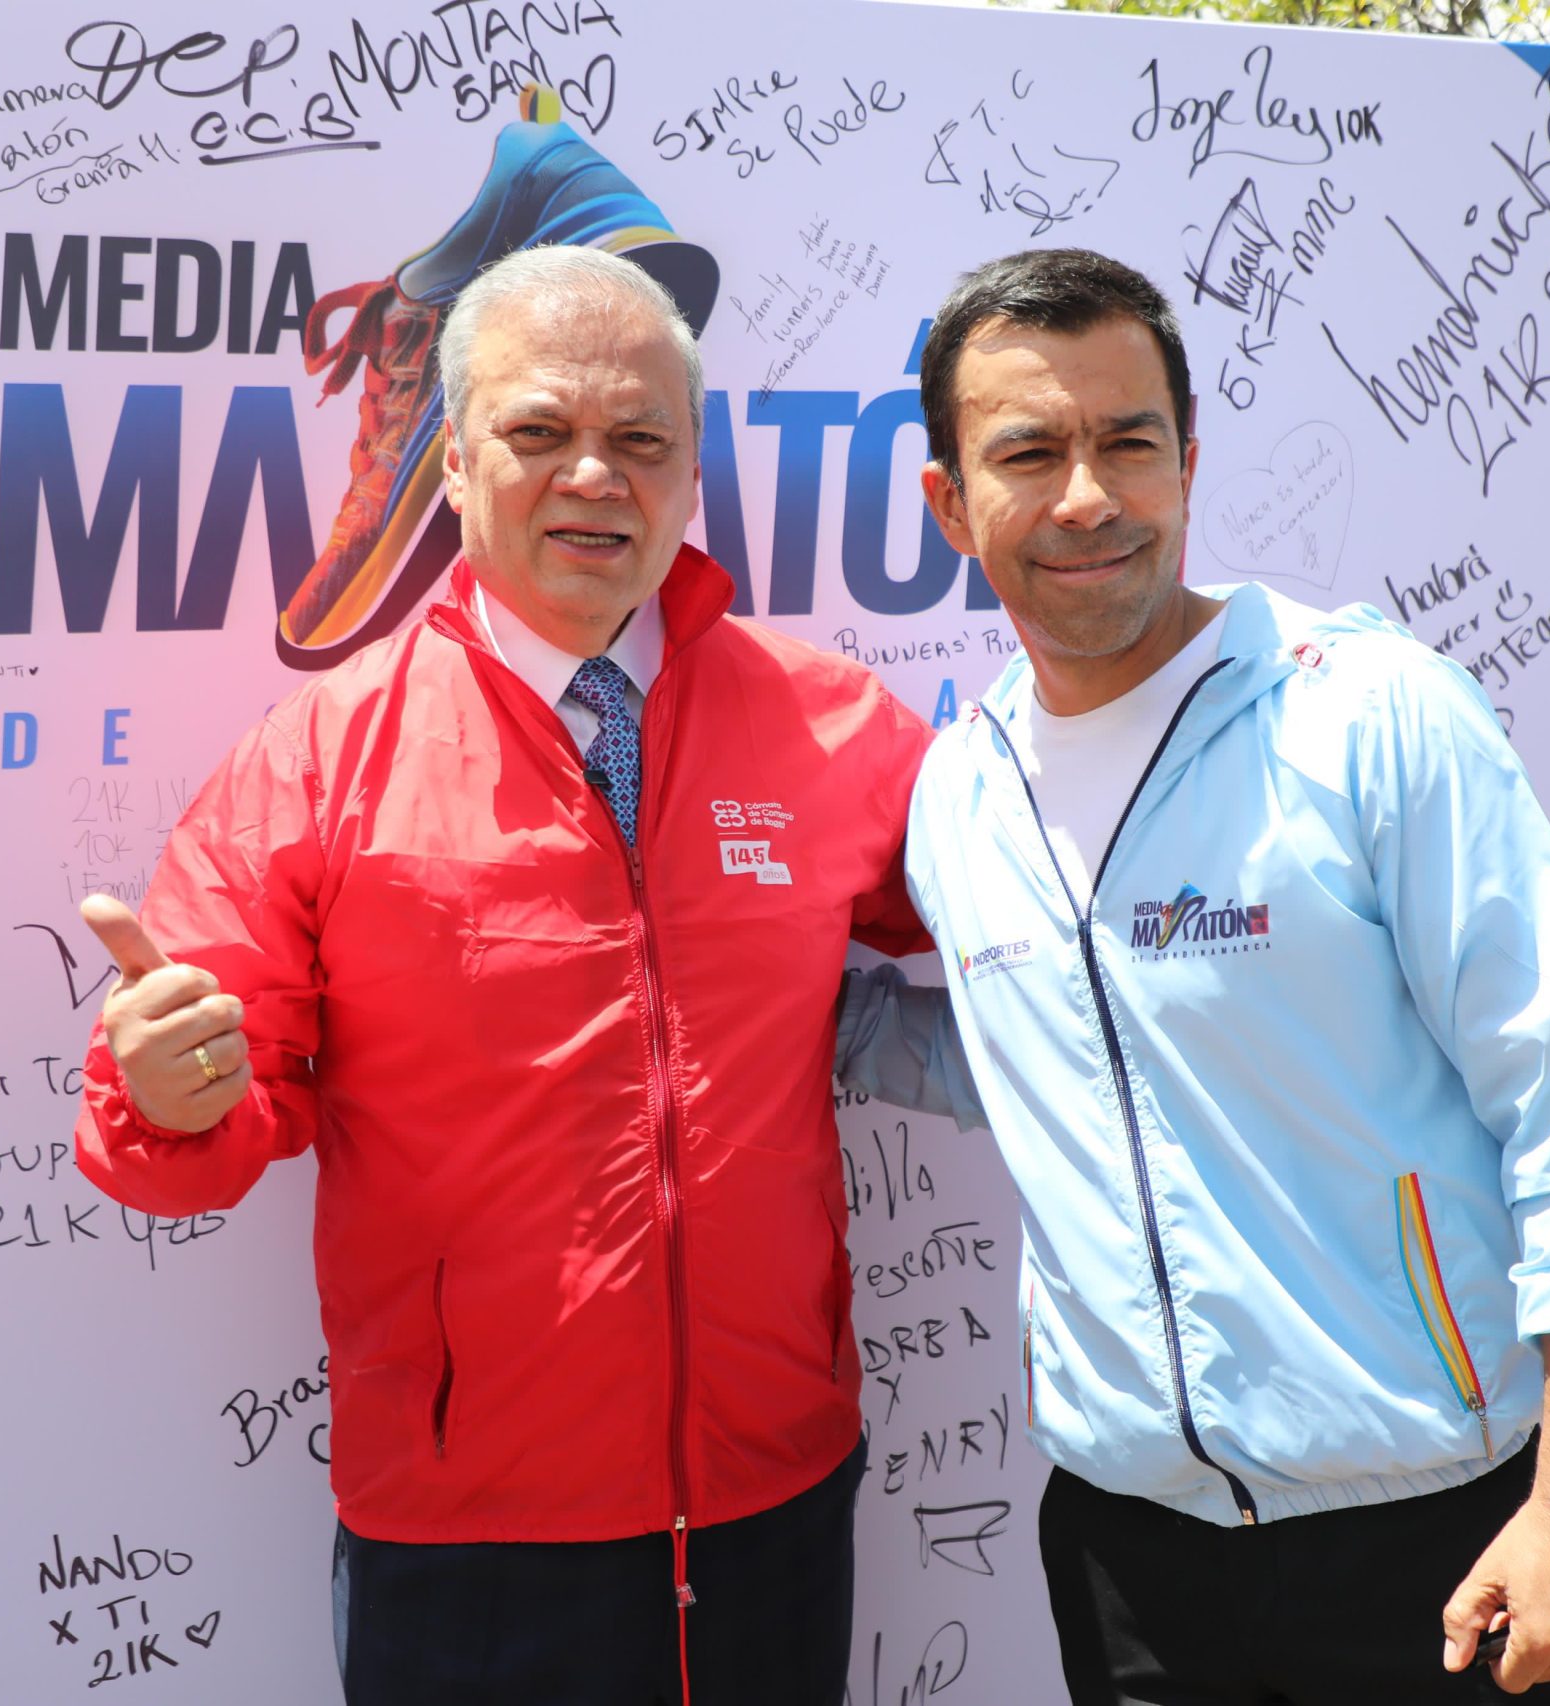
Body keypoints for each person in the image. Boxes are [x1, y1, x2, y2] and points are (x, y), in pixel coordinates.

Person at [72, 243, 934, 1706]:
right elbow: (188, 1135)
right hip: (467, 1543)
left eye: (641, 439)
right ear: (456, 464)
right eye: (541, 433)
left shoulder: (836, 727)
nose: (595, 475)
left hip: (774, 1507)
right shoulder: (319, 760)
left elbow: (1039, 935)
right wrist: (167, 1089)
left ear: (690, 476)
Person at [835, 248, 1550, 1702]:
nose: (1090, 495)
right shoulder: (955, 797)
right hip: (1126, 1563)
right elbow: (1057, 1052)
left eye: (1129, 441)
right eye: (1030, 452)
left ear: (1187, 460)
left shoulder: (1365, 712)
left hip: (1432, 1543)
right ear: (949, 504)